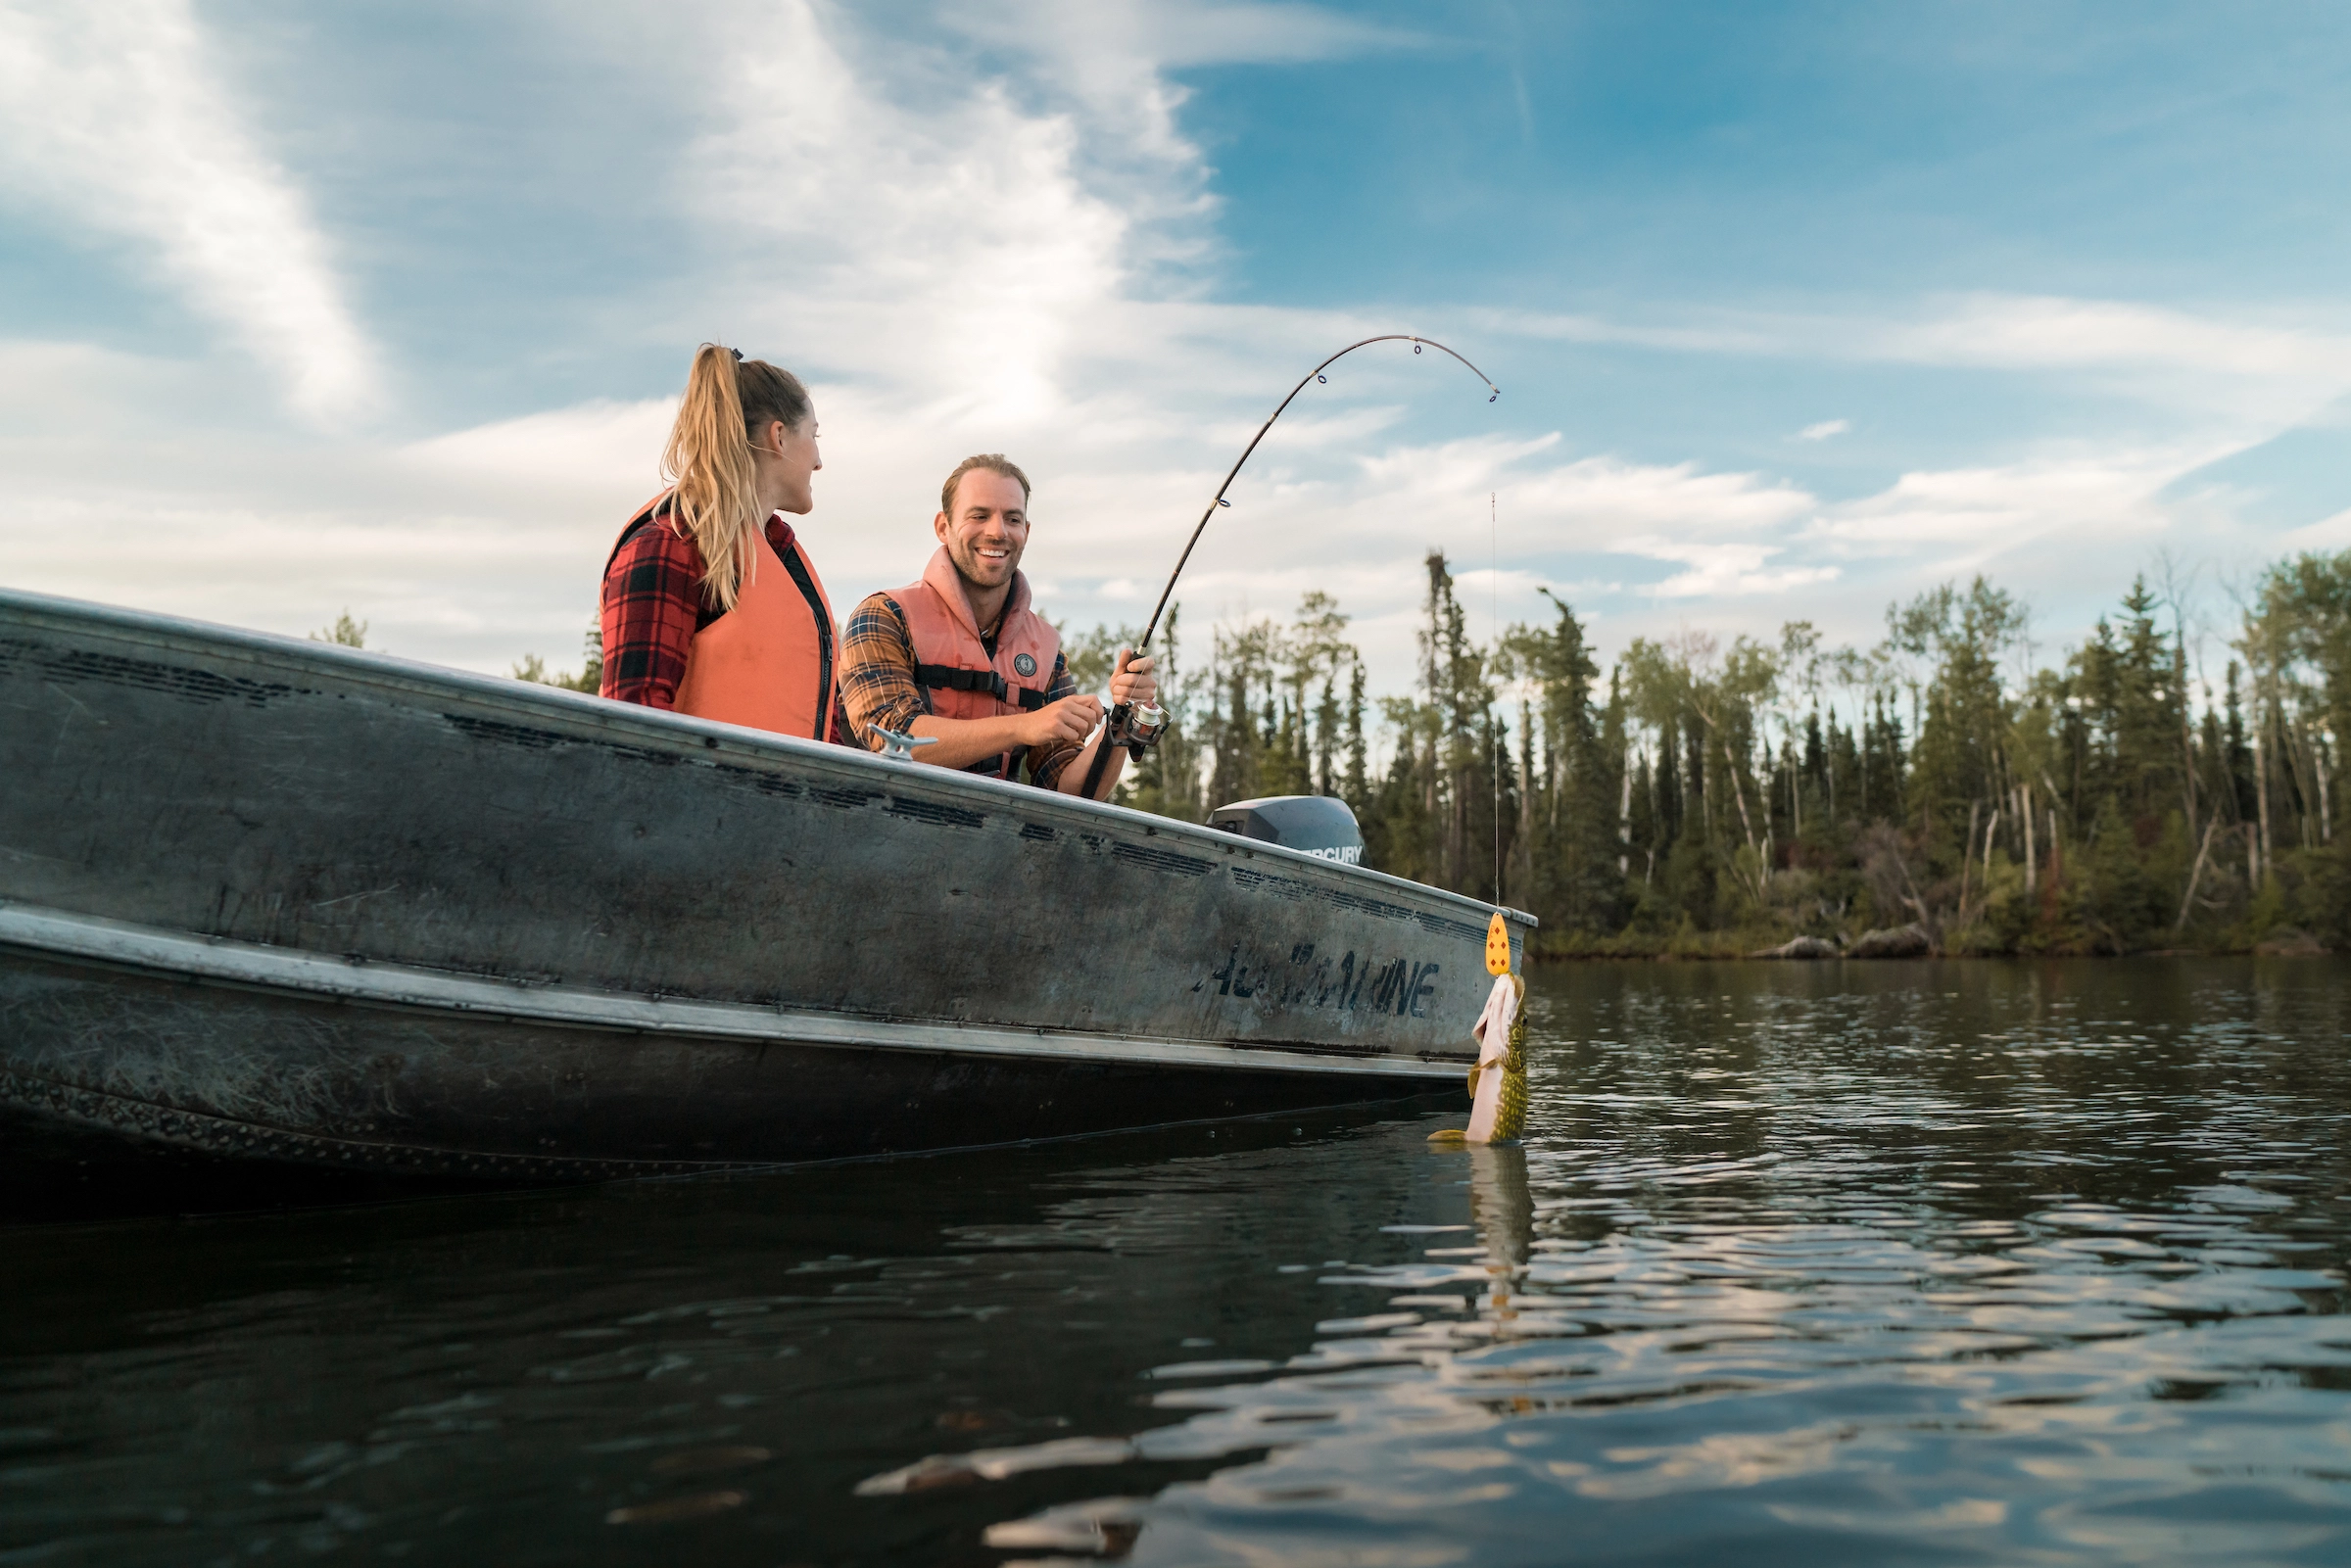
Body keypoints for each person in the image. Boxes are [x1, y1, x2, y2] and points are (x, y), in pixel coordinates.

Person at [838, 453, 1157, 796]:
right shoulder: (883, 616)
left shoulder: (1047, 652)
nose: (997, 531)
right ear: (943, 527)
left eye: (1012, 518)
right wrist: (1023, 726)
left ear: (1026, 532)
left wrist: (1124, 719)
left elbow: (1072, 790)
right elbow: (890, 739)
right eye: (979, 515)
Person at [599, 344, 849, 742]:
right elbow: (632, 724)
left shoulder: (782, 560)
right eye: (814, 436)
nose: (819, 460)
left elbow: (825, 733)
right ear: (779, 437)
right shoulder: (670, 546)